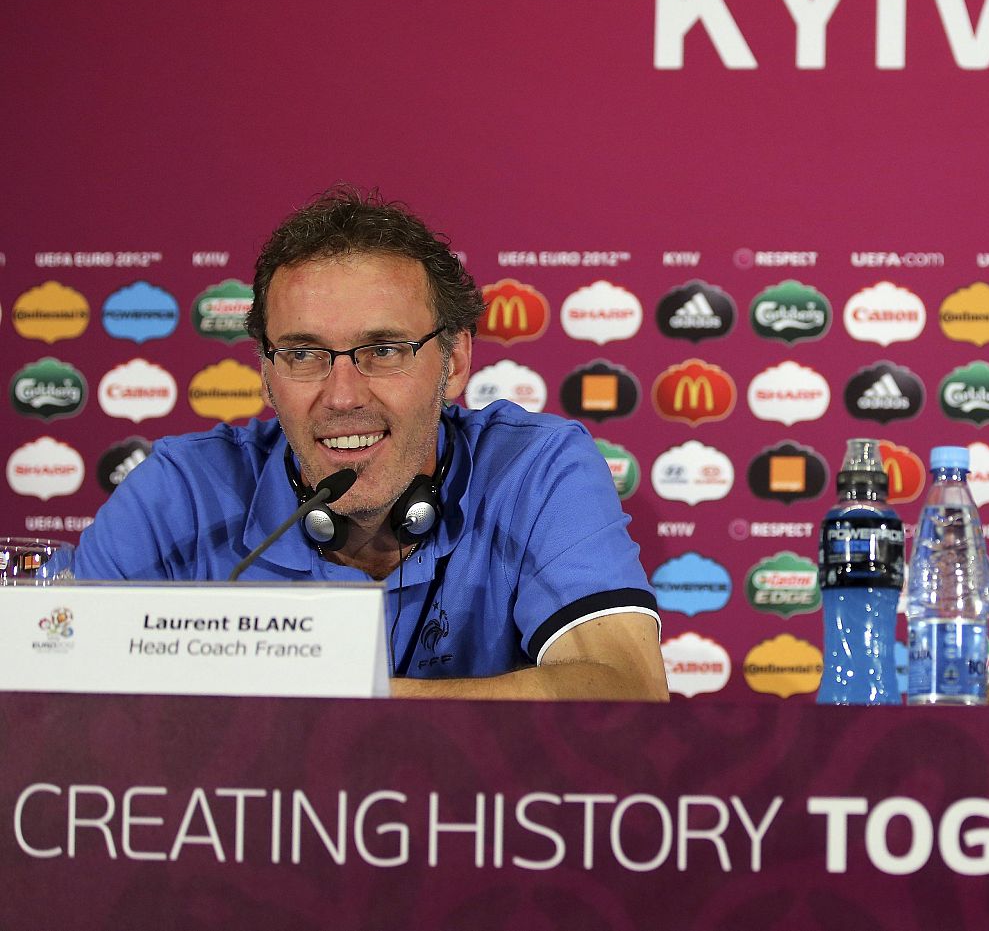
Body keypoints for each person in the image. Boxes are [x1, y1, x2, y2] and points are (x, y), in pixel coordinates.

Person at [76, 187, 669, 701]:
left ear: (456, 362)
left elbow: (625, 691)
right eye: (304, 354)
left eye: (382, 351)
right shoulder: (182, 492)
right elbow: (42, 676)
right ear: (265, 372)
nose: (341, 397)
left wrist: (323, 698)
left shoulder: (534, 471)